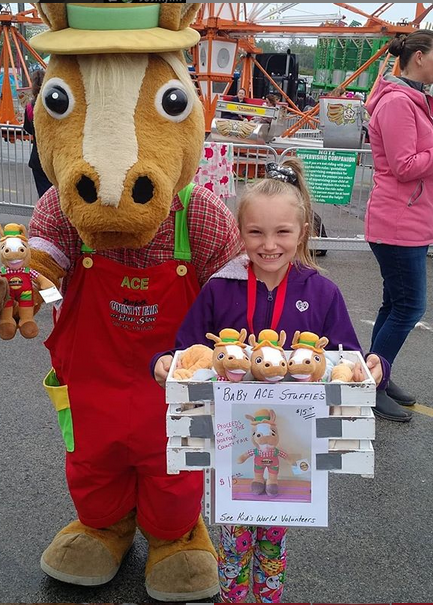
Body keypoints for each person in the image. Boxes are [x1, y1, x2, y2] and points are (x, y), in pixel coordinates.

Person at [153, 158, 389, 603]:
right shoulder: (220, 287)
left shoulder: (321, 291)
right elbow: (189, 347)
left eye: (282, 232)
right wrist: (164, 362)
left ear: (302, 232)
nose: (269, 245)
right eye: (256, 232)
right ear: (239, 232)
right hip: (230, 441)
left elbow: (347, 356)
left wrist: (375, 366)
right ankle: (232, 598)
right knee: (234, 535)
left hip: (291, 445)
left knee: (274, 538)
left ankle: (269, 598)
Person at [364, 30, 433, 422]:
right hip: (397, 220)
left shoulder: (413, 99)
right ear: (419, 57)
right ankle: (371, 386)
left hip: (407, 218)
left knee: (395, 304)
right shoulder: (397, 103)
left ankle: (378, 376)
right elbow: (405, 165)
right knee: (409, 307)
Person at [23, 69, 53, 198]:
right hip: (53, 156)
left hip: (38, 157)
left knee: (44, 197)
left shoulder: (30, 107)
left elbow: (28, 128)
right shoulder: (53, 105)